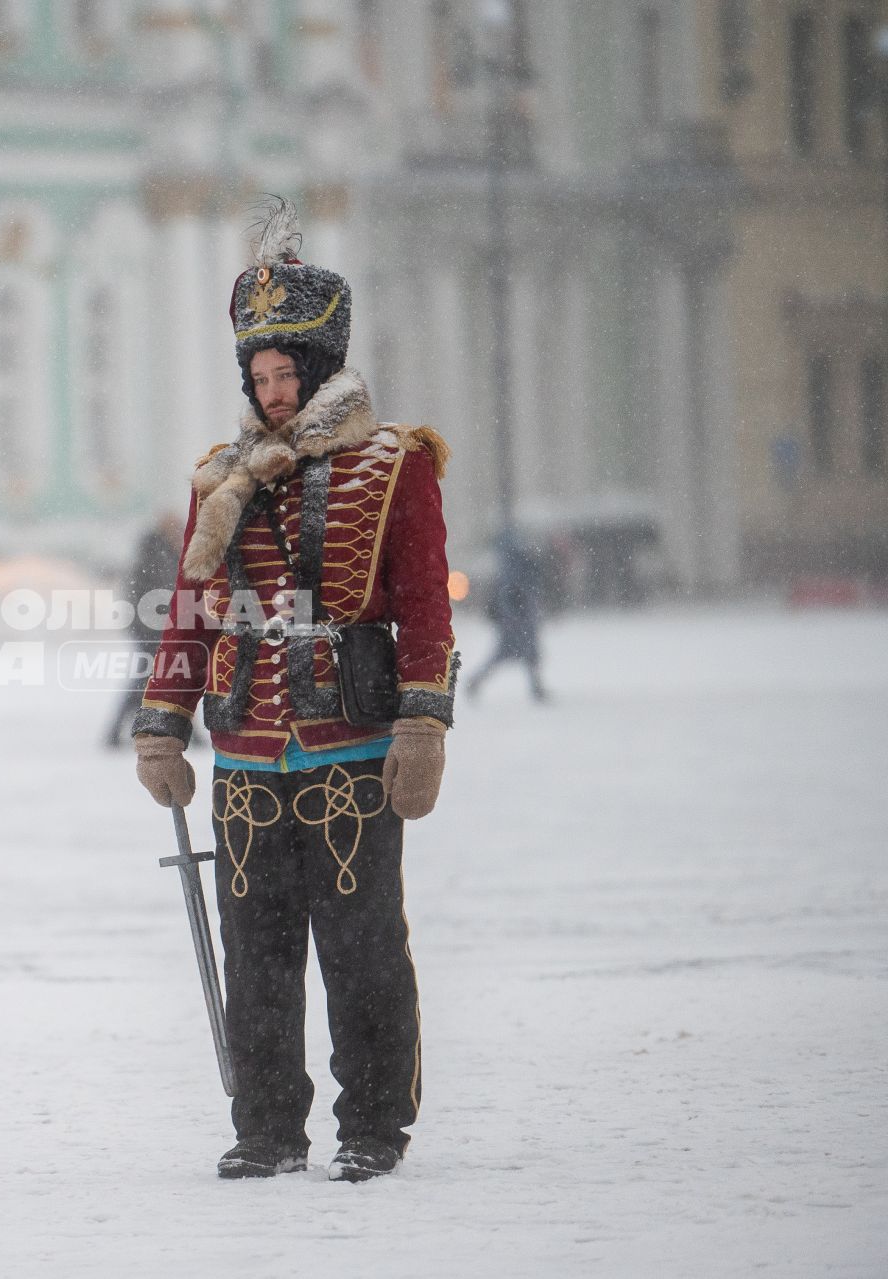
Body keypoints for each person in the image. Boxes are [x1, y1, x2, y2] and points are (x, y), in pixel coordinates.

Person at [131, 199, 458, 1184]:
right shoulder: (220, 481)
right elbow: (191, 611)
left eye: (287, 374)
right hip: (245, 751)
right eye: (260, 376)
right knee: (258, 955)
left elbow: (424, 603)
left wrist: (423, 723)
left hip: (351, 741)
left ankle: (373, 1122)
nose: (272, 392)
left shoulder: (393, 463)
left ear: (319, 371)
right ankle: (267, 1124)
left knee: (361, 947)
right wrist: (162, 725)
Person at [104, 512, 185, 748]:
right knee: (150, 678)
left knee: (163, 677)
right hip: (150, 629)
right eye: (177, 528)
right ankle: (117, 730)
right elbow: (159, 592)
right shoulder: (157, 555)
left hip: (154, 628)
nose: (180, 533)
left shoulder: (158, 553)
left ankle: (122, 729)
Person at [468, 533, 549, 703]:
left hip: (515, 620)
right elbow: (513, 591)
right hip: (517, 621)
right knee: (519, 655)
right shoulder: (517, 568)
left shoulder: (511, 568)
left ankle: (477, 682)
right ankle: (476, 681)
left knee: (516, 656)